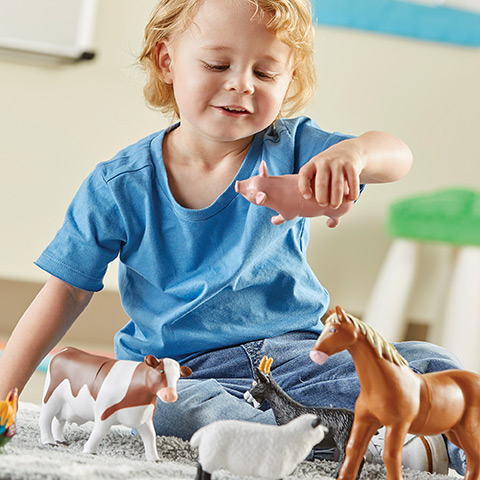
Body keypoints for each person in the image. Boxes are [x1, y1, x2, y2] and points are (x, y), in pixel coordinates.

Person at [0, 0, 466, 474]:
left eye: (265, 74)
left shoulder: (293, 147)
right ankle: (341, 441)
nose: (241, 83)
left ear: (289, 81)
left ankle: (435, 439)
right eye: (217, 64)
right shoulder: (118, 186)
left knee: (429, 362)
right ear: (167, 62)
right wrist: (4, 391)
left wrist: (355, 154)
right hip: (183, 370)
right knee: (181, 408)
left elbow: (397, 156)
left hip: (296, 355)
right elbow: (66, 292)